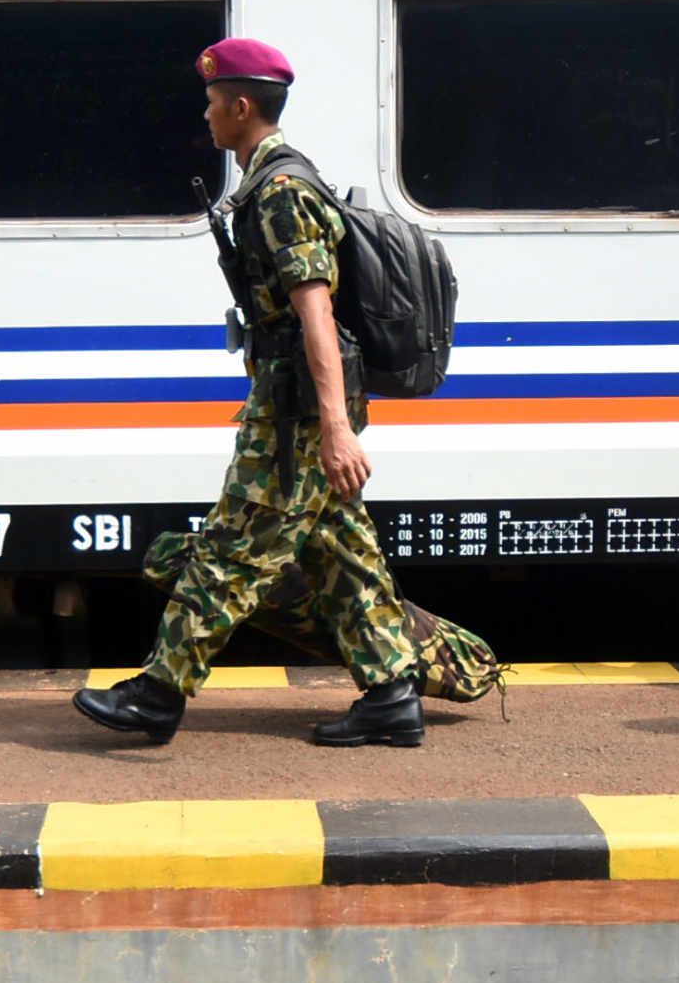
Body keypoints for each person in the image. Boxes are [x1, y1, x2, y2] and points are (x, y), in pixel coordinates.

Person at [77, 38, 430, 748]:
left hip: (296, 408)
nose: (206, 117)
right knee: (338, 548)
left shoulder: (281, 193)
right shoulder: (269, 184)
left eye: (212, 104)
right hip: (292, 397)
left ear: (242, 107)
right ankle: (392, 693)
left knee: (233, 548)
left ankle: (159, 692)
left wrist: (334, 425)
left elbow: (315, 312)